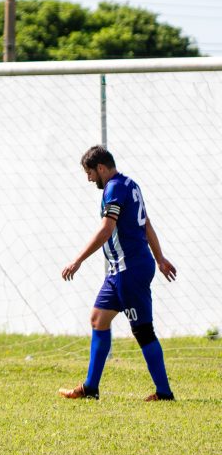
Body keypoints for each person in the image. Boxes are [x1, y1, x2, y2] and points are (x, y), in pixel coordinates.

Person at [59, 145, 177, 401]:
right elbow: (146, 225)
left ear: (101, 168)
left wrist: (77, 260)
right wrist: (160, 258)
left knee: (143, 331)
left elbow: (106, 229)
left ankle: (164, 393)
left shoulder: (114, 189)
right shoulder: (131, 185)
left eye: (90, 173)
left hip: (129, 269)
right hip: (120, 271)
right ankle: (90, 388)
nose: (89, 179)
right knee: (98, 319)